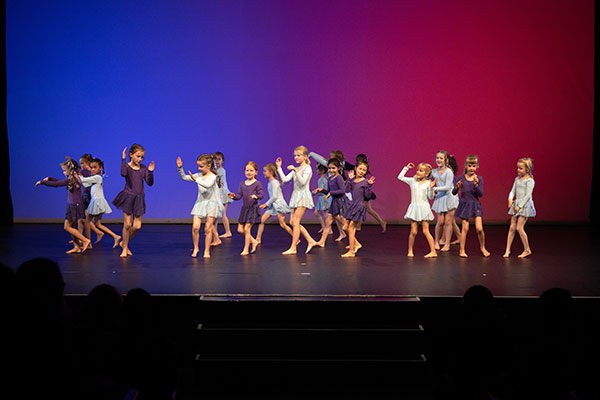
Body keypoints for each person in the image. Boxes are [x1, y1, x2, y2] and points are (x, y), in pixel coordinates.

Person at [36, 158, 91, 253]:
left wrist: (42, 182)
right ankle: (77, 247)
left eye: (65, 170)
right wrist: (50, 178)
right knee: (72, 227)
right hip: (76, 205)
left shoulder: (72, 179)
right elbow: (59, 182)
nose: (64, 172)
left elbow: (57, 185)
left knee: (67, 227)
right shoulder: (74, 178)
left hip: (74, 206)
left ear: (71, 169)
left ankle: (85, 240)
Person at [112, 144, 155, 258]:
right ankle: (125, 248)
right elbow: (123, 173)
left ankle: (123, 243)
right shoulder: (127, 167)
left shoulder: (143, 168)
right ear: (131, 155)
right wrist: (123, 158)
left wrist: (150, 172)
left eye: (142, 157)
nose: (140, 159)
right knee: (127, 224)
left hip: (139, 198)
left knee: (137, 226)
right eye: (138, 156)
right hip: (128, 196)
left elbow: (149, 183)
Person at [177, 154, 223, 258]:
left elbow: (207, 185)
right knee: (195, 227)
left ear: (209, 165)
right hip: (201, 203)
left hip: (212, 204)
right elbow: (184, 177)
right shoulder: (198, 175)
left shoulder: (213, 176)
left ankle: (207, 251)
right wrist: (180, 168)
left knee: (208, 228)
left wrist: (196, 179)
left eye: (201, 166)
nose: (199, 168)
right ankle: (196, 248)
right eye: (198, 166)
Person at [277, 146, 318, 255]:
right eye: (295, 155)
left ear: (305, 157)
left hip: (303, 196)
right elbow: (285, 179)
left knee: (295, 222)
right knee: (292, 222)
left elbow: (303, 182)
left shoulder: (308, 168)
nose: (296, 157)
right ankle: (310, 240)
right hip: (295, 196)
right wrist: (279, 167)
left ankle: (293, 248)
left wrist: (295, 171)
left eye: (298, 155)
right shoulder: (298, 168)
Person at [453, 155, 490, 257]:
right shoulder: (461, 178)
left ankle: (482, 247)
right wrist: (457, 187)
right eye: (469, 166)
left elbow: (480, 194)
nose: (471, 168)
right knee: (465, 228)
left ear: (477, 167)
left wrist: (476, 185)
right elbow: (454, 192)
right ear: (465, 166)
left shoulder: (479, 179)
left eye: (474, 166)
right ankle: (462, 250)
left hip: (475, 205)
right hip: (465, 204)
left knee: (479, 228)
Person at [79, 157, 121, 247]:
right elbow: (85, 184)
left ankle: (88, 243)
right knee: (97, 223)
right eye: (91, 167)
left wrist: (75, 173)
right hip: (99, 201)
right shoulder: (95, 178)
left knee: (87, 222)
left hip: (96, 202)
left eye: (95, 167)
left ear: (100, 168)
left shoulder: (97, 177)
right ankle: (115, 236)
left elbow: (83, 180)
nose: (92, 169)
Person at [397, 162, 437, 257]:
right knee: (413, 231)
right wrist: (406, 168)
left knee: (425, 231)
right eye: (418, 170)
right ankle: (410, 250)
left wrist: (431, 188)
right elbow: (400, 177)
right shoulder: (413, 181)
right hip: (415, 207)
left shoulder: (428, 183)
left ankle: (433, 251)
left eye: (421, 171)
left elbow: (431, 197)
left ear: (426, 174)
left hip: (424, 208)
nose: (418, 172)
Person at [229, 161, 264, 255]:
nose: (249, 172)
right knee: (240, 230)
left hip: (253, 209)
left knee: (247, 229)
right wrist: (233, 196)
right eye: (247, 170)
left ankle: (246, 249)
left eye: (251, 170)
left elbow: (261, 194)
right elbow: (239, 195)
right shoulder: (242, 184)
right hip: (245, 209)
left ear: (256, 172)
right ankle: (254, 241)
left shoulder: (257, 183)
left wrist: (256, 196)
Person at [342, 160, 375, 257]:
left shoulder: (365, 182)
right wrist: (349, 179)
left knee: (351, 228)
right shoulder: (353, 181)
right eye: (360, 169)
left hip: (359, 206)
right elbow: (347, 190)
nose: (361, 171)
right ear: (355, 168)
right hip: (353, 205)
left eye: (364, 170)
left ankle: (352, 251)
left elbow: (367, 196)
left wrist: (369, 185)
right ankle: (355, 244)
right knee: (345, 226)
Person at [504, 157, 536, 258]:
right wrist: (510, 199)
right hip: (516, 204)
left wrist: (520, 206)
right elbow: (513, 190)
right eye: (518, 168)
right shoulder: (517, 179)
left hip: (524, 205)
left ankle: (527, 249)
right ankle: (507, 250)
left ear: (527, 169)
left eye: (521, 168)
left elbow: (527, 195)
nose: (518, 170)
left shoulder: (530, 181)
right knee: (512, 227)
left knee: (519, 228)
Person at [256, 163, 292, 244]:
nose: (263, 173)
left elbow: (275, 196)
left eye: (265, 171)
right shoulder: (270, 182)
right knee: (261, 221)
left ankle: (296, 238)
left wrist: (266, 204)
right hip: (273, 205)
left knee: (282, 224)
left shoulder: (274, 182)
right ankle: (258, 239)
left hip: (278, 204)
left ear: (271, 172)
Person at [314, 158, 347, 246]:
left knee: (344, 224)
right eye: (330, 168)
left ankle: (354, 241)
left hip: (340, 202)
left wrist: (330, 193)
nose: (331, 170)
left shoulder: (339, 178)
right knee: (328, 222)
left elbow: (342, 190)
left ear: (338, 168)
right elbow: (329, 190)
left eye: (333, 168)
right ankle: (322, 242)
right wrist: (322, 190)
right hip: (334, 202)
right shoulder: (330, 179)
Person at [431, 150, 459, 251]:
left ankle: (447, 244)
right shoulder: (433, 171)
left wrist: (434, 189)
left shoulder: (449, 172)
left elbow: (447, 187)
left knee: (448, 222)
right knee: (440, 221)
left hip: (450, 197)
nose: (439, 160)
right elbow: (426, 179)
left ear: (446, 160)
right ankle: (436, 241)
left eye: (441, 158)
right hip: (440, 198)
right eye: (437, 158)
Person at [355, 154, 386, 233]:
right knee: (363, 209)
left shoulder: (362, 169)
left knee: (368, 209)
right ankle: (358, 226)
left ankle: (382, 222)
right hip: (361, 192)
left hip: (364, 193)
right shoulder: (359, 169)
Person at [213, 152, 233, 239]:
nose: (217, 161)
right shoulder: (217, 170)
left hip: (223, 194)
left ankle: (228, 232)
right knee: (216, 215)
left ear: (223, 161)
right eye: (215, 159)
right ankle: (214, 231)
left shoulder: (221, 170)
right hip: (219, 193)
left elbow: (216, 180)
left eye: (219, 159)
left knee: (223, 214)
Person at [313, 164, 331, 233]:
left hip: (323, 198)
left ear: (322, 170)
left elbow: (325, 189)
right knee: (316, 212)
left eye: (318, 169)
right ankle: (324, 227)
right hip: (320, 198)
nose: (316, 171)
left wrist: (316, 191)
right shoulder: (322, 179)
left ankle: (328, 229)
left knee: (326, 214)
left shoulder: (323, 179)